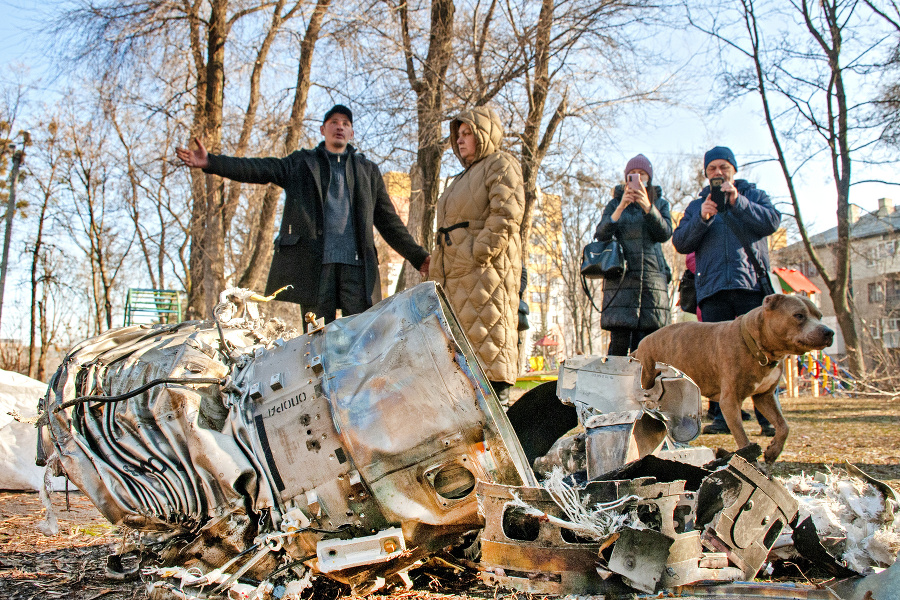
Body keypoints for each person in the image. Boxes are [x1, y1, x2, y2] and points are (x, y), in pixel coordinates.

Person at [176, 104, 430, 323]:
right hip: (316, 269)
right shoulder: (302, 164)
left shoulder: (368, 171)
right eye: (333, 122)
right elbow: (258, 168)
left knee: (361, 340)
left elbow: (388, 221)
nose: (339, 127)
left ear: (352, 132)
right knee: (317, 339)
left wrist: (418, 257)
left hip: (357, 270)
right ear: (322, 130)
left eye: (345, 123)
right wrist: (211, 163)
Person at [672, 146, 781, 435]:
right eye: (712, 169)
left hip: (750, 287)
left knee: (762, 352)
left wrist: (738, 201)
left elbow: (772, 221)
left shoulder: (753, 195)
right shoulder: (697, 206)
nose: (718, 173)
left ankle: (767, 417)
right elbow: (680, 242)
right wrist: (702, 218)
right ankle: (721, 417)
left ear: (733, 169)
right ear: (706, 174)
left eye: (723, 167)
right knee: (714, 355)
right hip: (712, 290)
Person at [429, 106, 525, 406]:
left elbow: (507, 213)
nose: (460, 140)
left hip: (484, 280)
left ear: (483, 134)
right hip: (456, 284)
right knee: (460, 376)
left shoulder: (501, 162)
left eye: (467, 133)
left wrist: (477, 253)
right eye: (458, 134)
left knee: (489, 362)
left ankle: (504, 446)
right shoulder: (460, 178)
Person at [595, 154, 673, 356]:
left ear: (649, 178)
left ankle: (647, 389)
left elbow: (664, 233)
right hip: (621, 283)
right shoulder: (615, 204)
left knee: (650, 349)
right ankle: (614, 388)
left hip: (651, 284)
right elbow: (601, 234)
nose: (637, 177)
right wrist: (621, 206)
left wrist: (648, 206)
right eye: (632, 174)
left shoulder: (660, 203)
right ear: (626, 178)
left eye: (642, 174)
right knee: (618, 348)